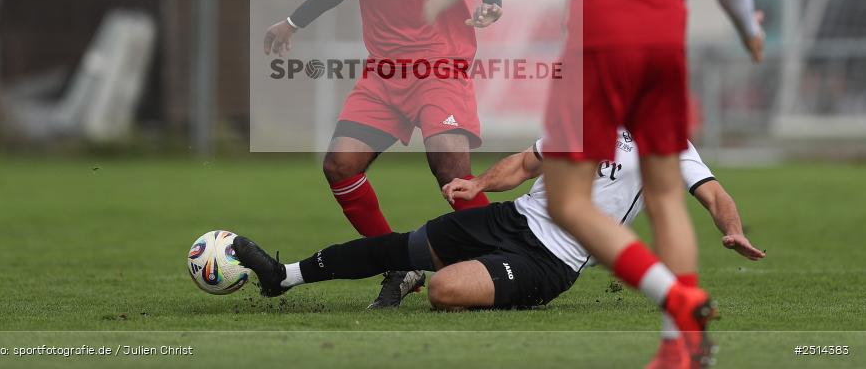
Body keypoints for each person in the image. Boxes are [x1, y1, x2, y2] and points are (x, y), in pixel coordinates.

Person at [423, 0, 763, 366]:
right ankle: (680, 340)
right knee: (663, 196)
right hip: (662, 47)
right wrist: (749, 28)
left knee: (571, 203)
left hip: (601, 45)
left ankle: (678, 302)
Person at [234, 132, 764, 359]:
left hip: (550, 259)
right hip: (511, 220)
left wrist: (733, 228)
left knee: (444, 290)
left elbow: (713, 194)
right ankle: (284, 278)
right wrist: (479, 184)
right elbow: (526, 163)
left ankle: (467, 276)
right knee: (401, 247)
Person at [262, 0, 503, 308]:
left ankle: (504, 261)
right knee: (340, 166)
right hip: (385, 73)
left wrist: (492, 0)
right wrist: (293, 23)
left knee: (451, 173)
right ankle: (400, 264)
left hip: (438, 68)